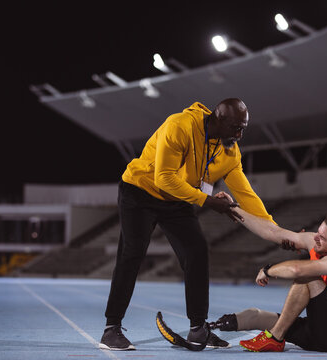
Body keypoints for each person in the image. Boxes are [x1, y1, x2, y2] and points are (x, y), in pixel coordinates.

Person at [99, 99, 276, 351]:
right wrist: (206, 201)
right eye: (235, 127)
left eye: (243, 128)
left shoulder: (230, 152)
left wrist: (276, 232)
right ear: (219, 119)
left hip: (177, 199)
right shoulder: (179, 125)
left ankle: (198, 329)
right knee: (132, 253)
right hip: (140, 191)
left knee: (197, 252)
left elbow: (246, 195)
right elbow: (164, 178)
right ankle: (111, 328)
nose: (239, 134)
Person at [210, 203, 327, 353]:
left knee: (308, 276)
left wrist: (268, 270)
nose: (315, 238)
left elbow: (297, 270)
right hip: (318, 330)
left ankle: (275, 338)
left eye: (322, 238)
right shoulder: (317, 243)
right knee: (255, 316)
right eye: (318, 232)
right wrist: (232, 208)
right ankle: (210, 326)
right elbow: (273, 232)